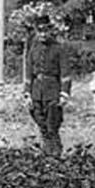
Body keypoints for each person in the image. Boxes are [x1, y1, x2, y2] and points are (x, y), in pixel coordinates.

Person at [23, 12, 71, 156]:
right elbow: (28, 72)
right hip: (37, 91)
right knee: (40, 122)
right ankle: (46, 149)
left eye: (45, 31)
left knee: (52, 123)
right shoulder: (33, 49)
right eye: (40, 31)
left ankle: (55, 151)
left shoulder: (58, 48)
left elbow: (65, 73)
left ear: (50, 31)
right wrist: (27, 93)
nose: (43, 35)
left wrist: (64, 93)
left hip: (52, 91)